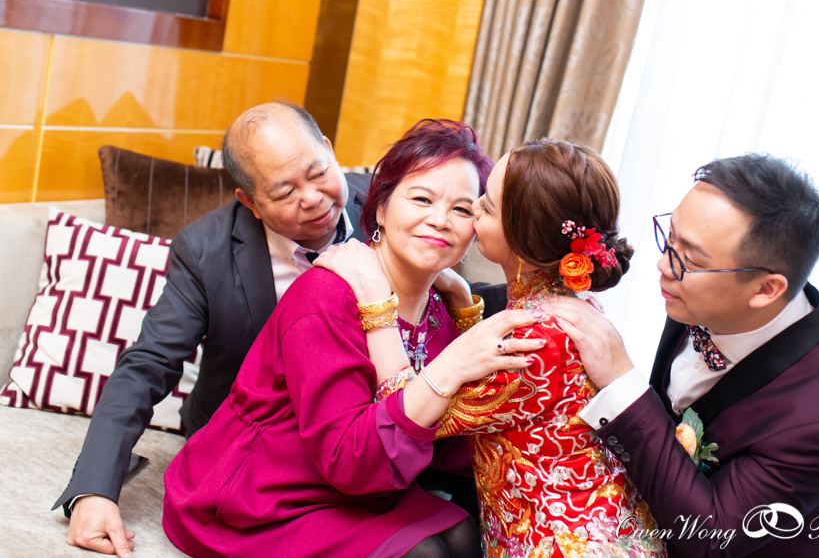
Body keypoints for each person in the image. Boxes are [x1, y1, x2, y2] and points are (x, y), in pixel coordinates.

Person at [56, 103, 504, 557]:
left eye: (318, 173)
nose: (312, 199)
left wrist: (489, 302)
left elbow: (425, 288)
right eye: (286, 191)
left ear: (329, 151)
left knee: (468, 531)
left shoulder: (397, 204)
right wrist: (95, 489)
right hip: (262, 456)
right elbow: (147, 365)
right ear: (250, 201)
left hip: (370, 442)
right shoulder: (208, 250)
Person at [161, 119, 543, 557]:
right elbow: (350, 459)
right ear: (381, 209)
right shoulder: (326, 295)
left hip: (363, 482)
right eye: (421, 199)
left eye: (461, 209)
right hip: (263, 488)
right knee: (429, 554)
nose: (440, 221)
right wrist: (448, 369)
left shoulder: (441, 306)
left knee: (467, 536)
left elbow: (445, 440)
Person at [350, 139, 667, 557]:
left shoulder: (535, 339)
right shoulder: (563, 305)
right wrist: (463, 303)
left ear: (519, 235)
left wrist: (376, 302)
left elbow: (407, 411)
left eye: (485, 207)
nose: (472, 213)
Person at [549, 154, 819, 557]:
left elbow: (712, 539)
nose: (663, 264)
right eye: (670, 238)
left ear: (765, 290)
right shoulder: (703, 292)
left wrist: (624, 387)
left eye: (689, 259)